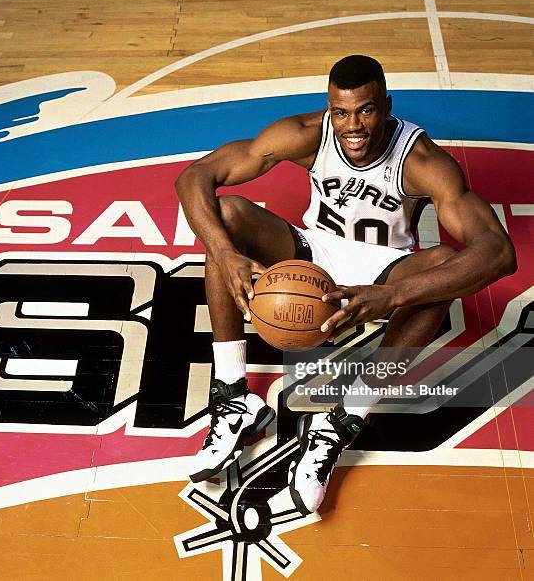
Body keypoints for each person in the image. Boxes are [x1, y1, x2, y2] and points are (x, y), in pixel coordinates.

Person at [174, 55, 516, 514]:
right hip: (312, 252)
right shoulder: (307, 134)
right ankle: (234, 396)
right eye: (341, 112)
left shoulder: (420, 160)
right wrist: (225, 252)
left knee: (443, 269)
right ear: (329, 107)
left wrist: (392, 295)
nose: (352, 126)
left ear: (387, 106)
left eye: (366, 111)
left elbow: (497, 253)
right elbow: (195, 176)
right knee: (228, 216)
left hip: (384, 266)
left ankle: (343, 418)